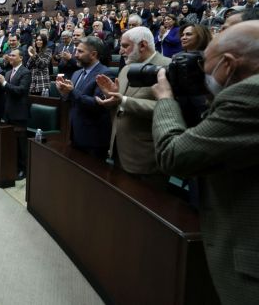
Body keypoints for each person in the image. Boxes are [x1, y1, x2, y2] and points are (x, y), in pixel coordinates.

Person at [151, 21, 259, 305]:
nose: (202, 74)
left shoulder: (250, 96)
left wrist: (165, 99)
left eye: (205, 66)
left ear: (228, 65)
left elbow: (174, 155)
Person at [95, 27, 171, 188]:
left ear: (142, 45)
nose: (120, 50)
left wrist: (123, 100)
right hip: (119, 150)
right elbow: (120, 103)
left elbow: (169, 109)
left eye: (124, 46)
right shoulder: (125, 69)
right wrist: (112, 99)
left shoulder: (167, 67)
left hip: (146, 157)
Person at [55, 36, 114, 159]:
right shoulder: (77, 73)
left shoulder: (105, 74)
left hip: (94, 139)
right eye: (76, 51)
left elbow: (97, 105)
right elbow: (71, 99)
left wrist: (72, 91)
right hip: (74, 134)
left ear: (93, 54)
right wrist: (64, 92)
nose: (75, 55)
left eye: (80, 51)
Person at [0, 49, 31, 180]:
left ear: (21, 58)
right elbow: (5, 90)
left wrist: (3, 83)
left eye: (13, 55)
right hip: (8, 112)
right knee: (11, 142)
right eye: (10, 55)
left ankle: (23, 169)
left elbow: (21, 91)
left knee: (21, 144)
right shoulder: (8, 72)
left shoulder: (25, 72)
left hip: (19, 113)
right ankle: (13, 166)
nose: (10, 57)